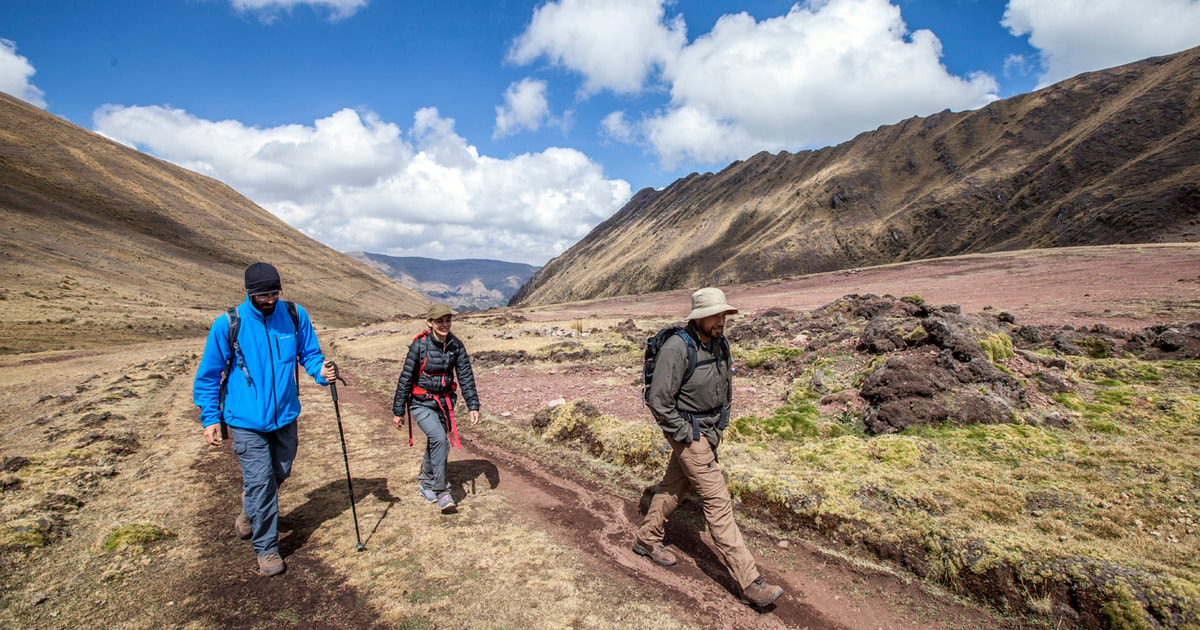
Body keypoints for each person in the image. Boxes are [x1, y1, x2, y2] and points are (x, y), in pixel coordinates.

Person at [632, 287, 784, 607]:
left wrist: (721, 423)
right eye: (715, 315)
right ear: (698, 317)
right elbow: (658, 400)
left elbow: (725, 386)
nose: (721, 321)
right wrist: (686, 433)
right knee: (718, 502)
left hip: (709, 431)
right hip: (690, 433)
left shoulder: (719, 343)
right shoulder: (677, 348)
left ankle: (646, 540)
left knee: (674, 486)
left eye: (723, 315)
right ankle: (750, 582)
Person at [193, 262, 337, 577]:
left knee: (280, 473)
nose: (270, 299)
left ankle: (249, 512)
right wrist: (210, 418)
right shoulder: (228, 324)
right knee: (261, 482)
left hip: (285, 415)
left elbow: (309, 354)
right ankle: (267, 548)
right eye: (263, 294)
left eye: (274, 292)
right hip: (245, 421)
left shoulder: (295, 316)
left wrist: (320, 372)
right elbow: (208, 376)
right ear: (250, 293)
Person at [392, 304, 481, 513]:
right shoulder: (419, 346)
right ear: (430, 323)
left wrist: (473, 406)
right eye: (440, 321)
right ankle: (442, 492)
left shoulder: (456, 346)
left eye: (448, 320)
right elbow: (405, 379)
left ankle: (425, 480)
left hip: (445, 403)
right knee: (440, 440)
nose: (445, 324)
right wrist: (398, 412)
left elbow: (466, 376)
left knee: (436, 440)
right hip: (420, 403)